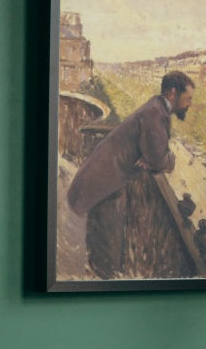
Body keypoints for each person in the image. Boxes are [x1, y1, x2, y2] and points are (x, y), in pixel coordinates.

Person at [67, 70, 194, 278]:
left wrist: (155, 158)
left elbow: (153, 155)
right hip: (107, 184)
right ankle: (102, 280)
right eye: (188, 98)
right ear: (173, 93)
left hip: (106, 180)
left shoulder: (155, 109)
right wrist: (167, 159)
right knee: (107, 242)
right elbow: (158, 159)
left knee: (104, 238)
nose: (189, 104)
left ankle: (99, 275)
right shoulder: (155, 114)